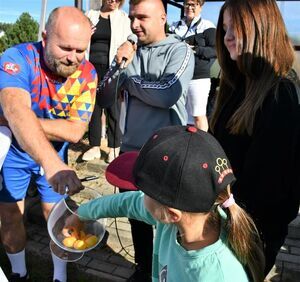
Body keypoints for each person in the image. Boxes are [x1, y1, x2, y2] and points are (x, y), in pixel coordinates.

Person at [64, 125, 265, 282]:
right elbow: (125, 203)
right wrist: (82, 213)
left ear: (171, 213)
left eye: (144, 192)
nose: (139, 195)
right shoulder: (183, 218)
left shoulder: (219, 275)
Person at [0, 6, 97, 282]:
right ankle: (19, 272)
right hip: (15, 156)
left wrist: (18, 122)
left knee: (56, 217)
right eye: (65, 48)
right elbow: (16, 108)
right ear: (45, 38)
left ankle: (59, 276)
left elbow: (75, 131)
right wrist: (17, 118)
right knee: (10, 216)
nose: (74, 58)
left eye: (80, 50)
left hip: (54, 156)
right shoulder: (17, 58)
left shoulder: (87, 74)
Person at [100, 0, 194, 279]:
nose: (134, 24)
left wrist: (129, 78)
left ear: (163, 17)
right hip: (131, 150)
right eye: (131, 17)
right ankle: (144, 268)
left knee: (169, 221)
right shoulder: (129, 53)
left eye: (142, 17)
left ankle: (171, 271)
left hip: (167, 152)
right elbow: (104, 96)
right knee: (136, 217)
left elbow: (167, 92)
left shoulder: (179, 50)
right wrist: (119, 65)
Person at [210, 0, 300, 275]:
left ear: (262, 28)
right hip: (221, 224)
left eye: (235, 27)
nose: (227, 37)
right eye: (224, 28)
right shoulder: (236, 86)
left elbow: (268, 191)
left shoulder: (279, 95)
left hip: (247, 236)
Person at [82, 0, 132, 163]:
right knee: (93, 108)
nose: (113, 0)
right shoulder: (90, 15)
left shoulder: (124, 18)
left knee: (113, 108)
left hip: (113, 68)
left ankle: (114, 147)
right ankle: (95, 146)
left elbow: (132, 40)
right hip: (90, 67)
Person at [169, 0, 216, 131]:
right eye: (187, 4)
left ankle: (202, 147)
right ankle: (179, 147)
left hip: (198, 78)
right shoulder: (175, 26)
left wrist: (195, 49)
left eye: (193, 4)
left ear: (200, 7)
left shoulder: (207, 26)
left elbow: (215, 51)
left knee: (198, 116)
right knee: (177, 115)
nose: (189, 7)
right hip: (177, 77)